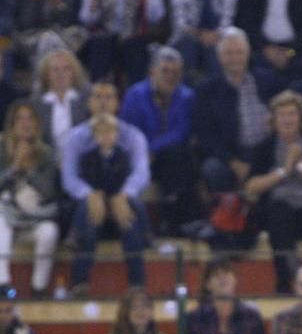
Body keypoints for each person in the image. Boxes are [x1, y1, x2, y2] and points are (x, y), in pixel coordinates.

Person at [244, 91, 302, 292]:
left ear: (300, 118)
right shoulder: (265, 147)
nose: (287, 119)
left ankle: (288, 282)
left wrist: (301, 165)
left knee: (281, 216)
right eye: (282, 114)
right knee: (279, 210)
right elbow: (251, 186)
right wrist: (284, 170)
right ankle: (289, 278)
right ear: (274, 119)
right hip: (275, 214)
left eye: (292, 114)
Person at [66, 108, 151, 294]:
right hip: (95, 201)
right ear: (94, 136)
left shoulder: (123, 156)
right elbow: (81, 180)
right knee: (88, 217)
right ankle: (80, 282)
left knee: (131, 217)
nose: (105, 136)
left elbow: (129, 180)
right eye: (101, 132)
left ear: (116, 134)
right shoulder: (88, 157)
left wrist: (118, 198)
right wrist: (96, 196)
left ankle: (137, 282)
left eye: (109, 132)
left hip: (118, 202)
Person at [118, 46, 197, 235]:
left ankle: (175, 225)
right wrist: (143, 152)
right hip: (138, 155)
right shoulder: (134, 95)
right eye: (165, 70)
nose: (170, 76)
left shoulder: (187, 97)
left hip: (166, 156)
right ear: (152, 70)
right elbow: (129, 132)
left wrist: (152, 150)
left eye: (175, 72)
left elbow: (181, 132)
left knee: (179, 156)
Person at [194, 28, 273, 195]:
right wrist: (234, 163)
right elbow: (206, 136)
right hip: (231, 154)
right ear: (219, 56)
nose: (235, 58)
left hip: (266, 151)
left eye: (239, 52)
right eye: (229, 53)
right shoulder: (207, 90)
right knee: (212, 168)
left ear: (248, 53)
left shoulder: (268, 80)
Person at [0, 102, 59, 298]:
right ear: (12, 124)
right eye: (20, 118)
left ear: (37, 123)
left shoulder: (47, 153)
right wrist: (15, 168)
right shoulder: (1, 150)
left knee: (49, 231)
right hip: (7, 217)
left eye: (30, 118)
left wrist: (30, 170)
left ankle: (38, 287)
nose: (25, 123)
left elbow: (49, 192)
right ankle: (3, 284)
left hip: (35, 217)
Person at [77, 0, 165, 86]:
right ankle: (98, 92)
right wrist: (92, 9)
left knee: (135, 47)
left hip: (134, 36)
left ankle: (136, 96)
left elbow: (156, 16)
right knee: (101, 44)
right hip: (104, 36)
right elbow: (86, 18)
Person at [186, 259, 268, 334]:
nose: (222, 277)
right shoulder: (194, 317)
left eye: (227, 273)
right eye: (216, 275)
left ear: (235, 280)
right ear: (207, 285)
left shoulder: (251, 315)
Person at [168, 0, 239, 80]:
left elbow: (227, 21)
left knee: (215, 51)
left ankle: (213, 92)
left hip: (217, 38)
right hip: (186, 37)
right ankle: (185, 89)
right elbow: (180, 22)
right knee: (189, 45)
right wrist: (201, 35)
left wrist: (214, 35)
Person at [32, 47, 89, 155]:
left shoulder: (86, 99)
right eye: (55, 69)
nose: (60, 74)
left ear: (73, 72)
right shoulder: (37, 103)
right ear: (46, 74)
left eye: (66, 68)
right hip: (49, 164)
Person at [103, 288, 173, 334]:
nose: (140, 311)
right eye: (135, 307)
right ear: (126, 312)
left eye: (145, 306)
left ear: (151, 311)